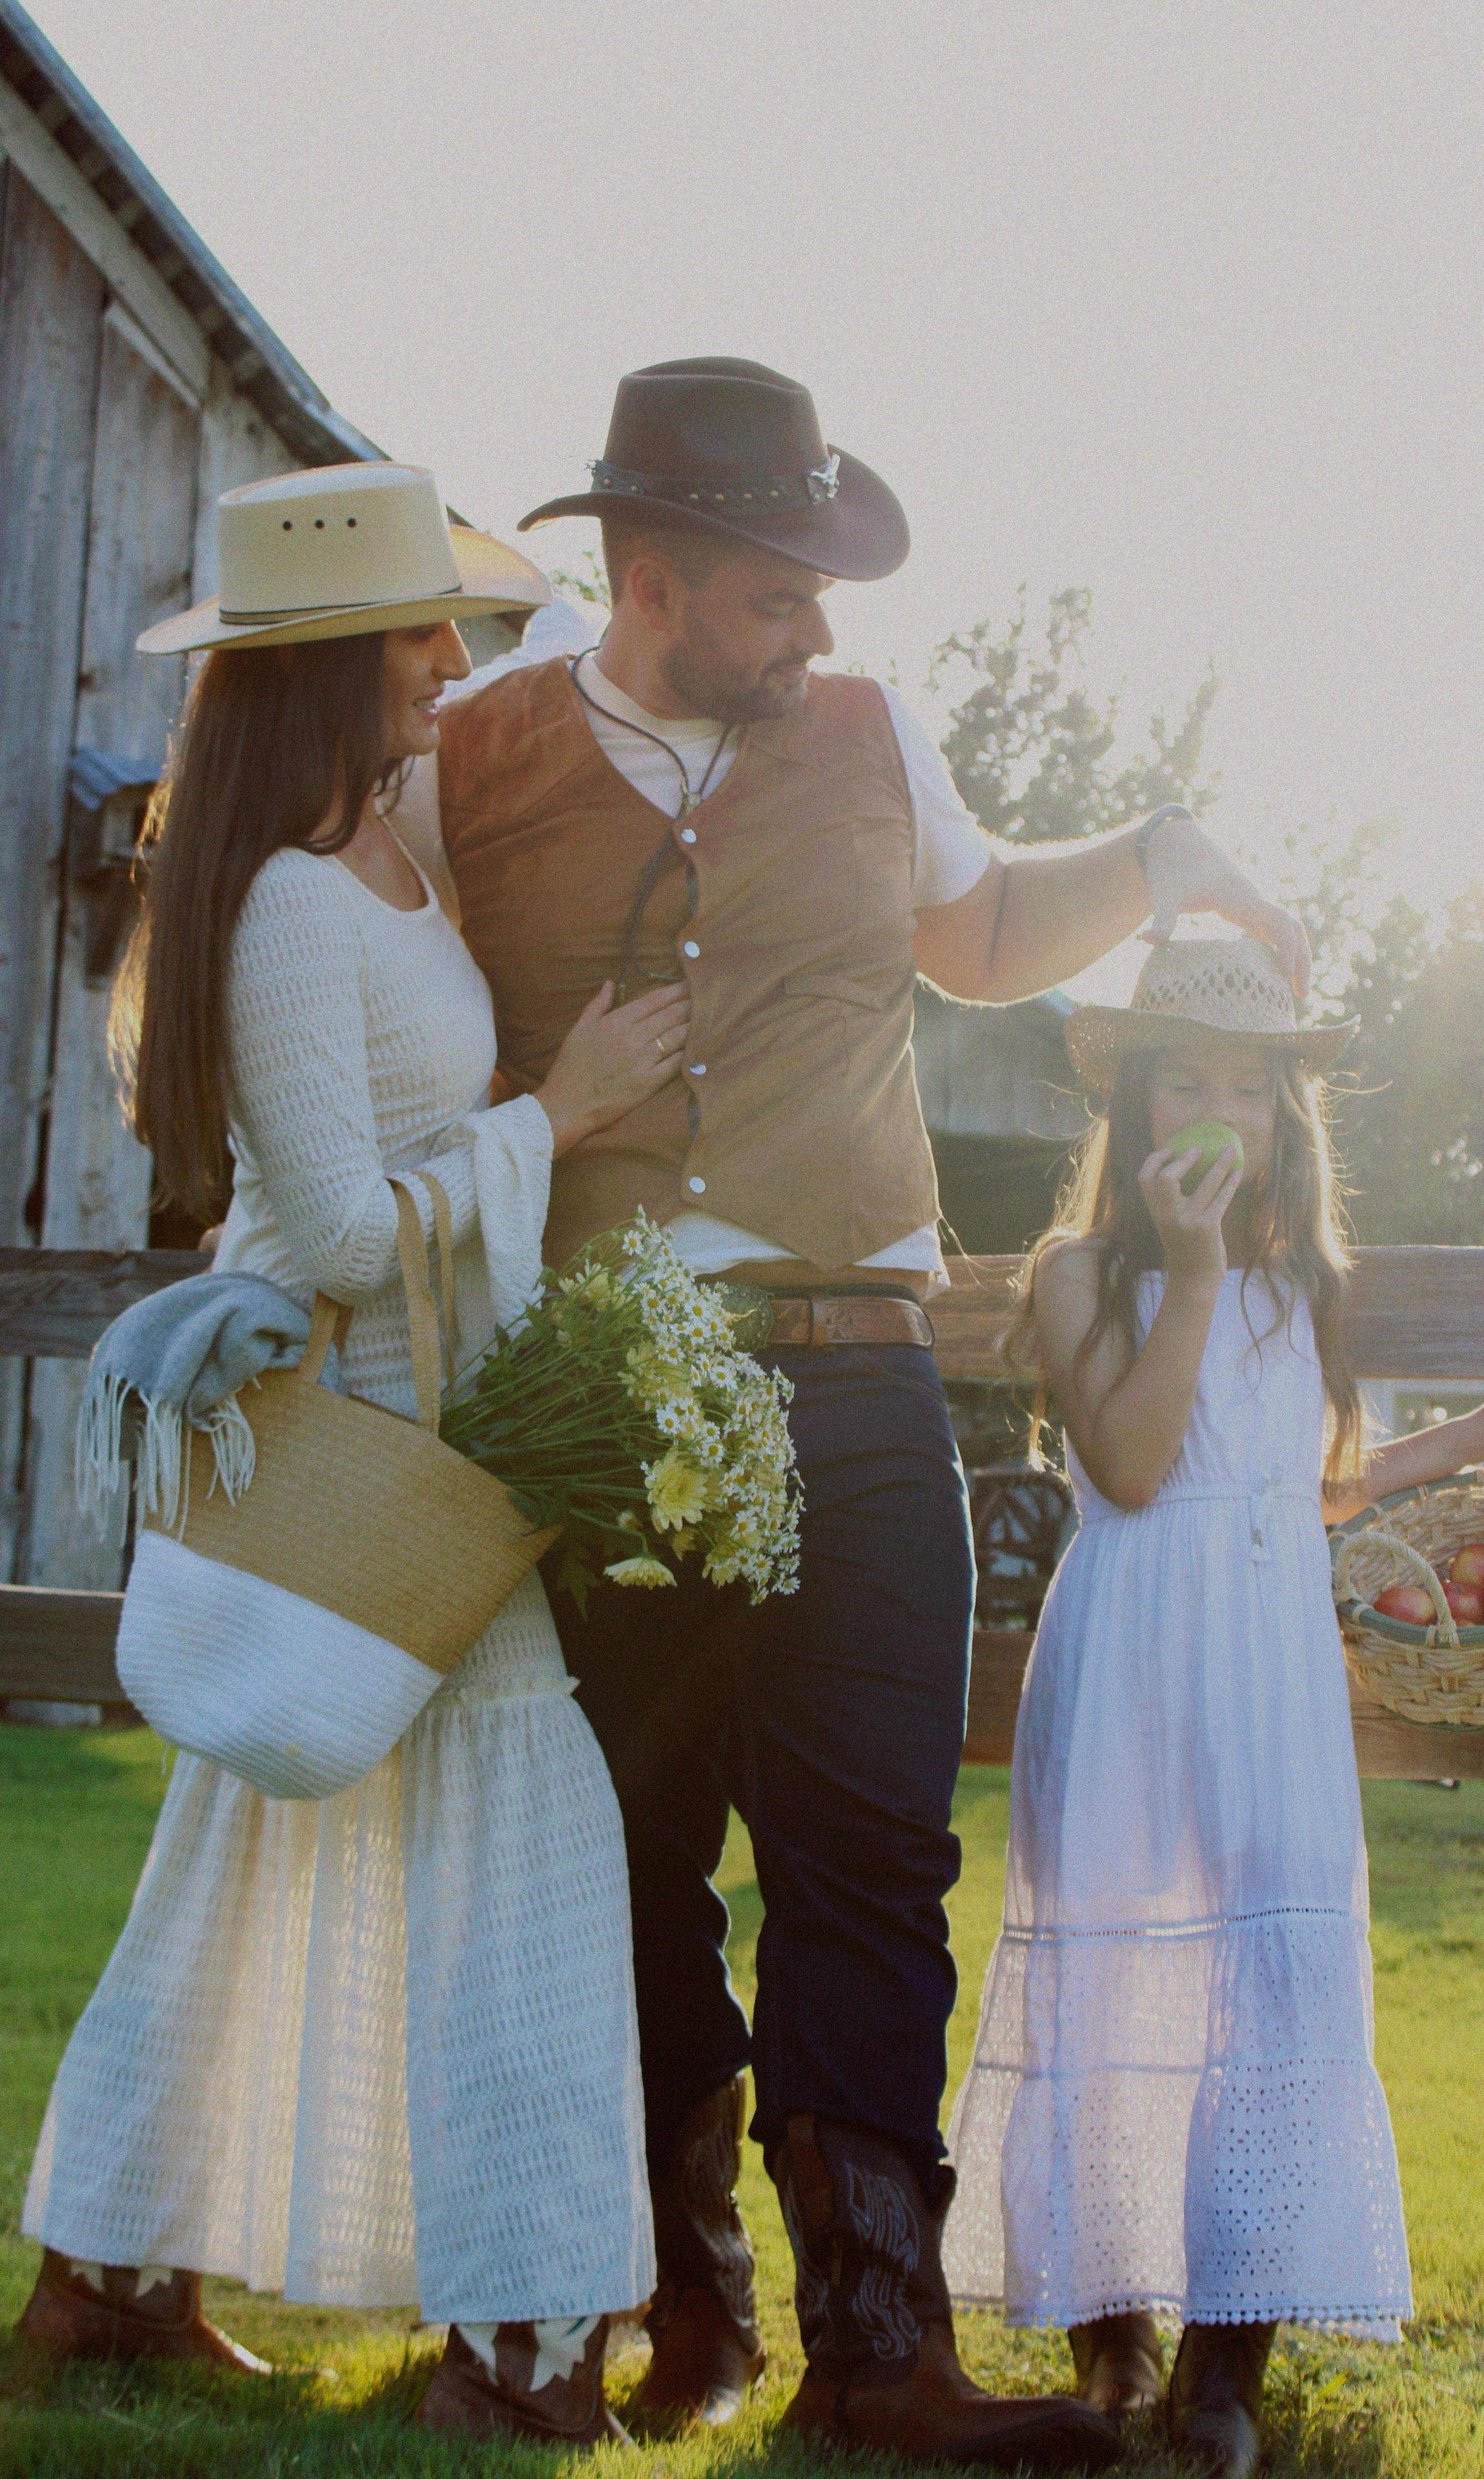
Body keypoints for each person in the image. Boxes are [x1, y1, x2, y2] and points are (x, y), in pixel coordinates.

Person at [409, 354, 1317, 2467]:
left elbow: (988, 931)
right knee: (621, 1860)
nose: (818, 625)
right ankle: (684, 2311)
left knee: (873, 1861)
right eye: (774, 589)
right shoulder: (471, 764)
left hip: (867, 1383)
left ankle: (878, 2350)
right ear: (646, 572)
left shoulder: (874, 732)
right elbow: (367, 1002)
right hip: (607, 1403)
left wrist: (1168, 846)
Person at [17, 464, 680, 2451]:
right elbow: (309, 1229)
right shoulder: (293, 908)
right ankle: (522, 2341)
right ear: (323, 666)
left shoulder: (388, 838)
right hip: (376, 1440)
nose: (446, 653)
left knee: (253, 1834)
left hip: (430, 1414)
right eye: (410, 628)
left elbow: (569, 662)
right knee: (530, 1843)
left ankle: (107, 2275)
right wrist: (554, 1117)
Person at [941, 934, 1484, 2479]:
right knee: (1117, 1967)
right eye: (1184, 1083)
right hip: (1135, 1645)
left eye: (1249, 1083)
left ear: (1288, 1115)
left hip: (1269, 1656)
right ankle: (1113, 2328)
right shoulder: (1084, 1270)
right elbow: (1146, 1465)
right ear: (1135, 1110)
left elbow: (1300, 1486)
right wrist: (1197, 1265)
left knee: (1274, 1976)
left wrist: (1466, 1443)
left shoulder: (1303, 1283)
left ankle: (1232, 2356)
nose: (1218, 1108)